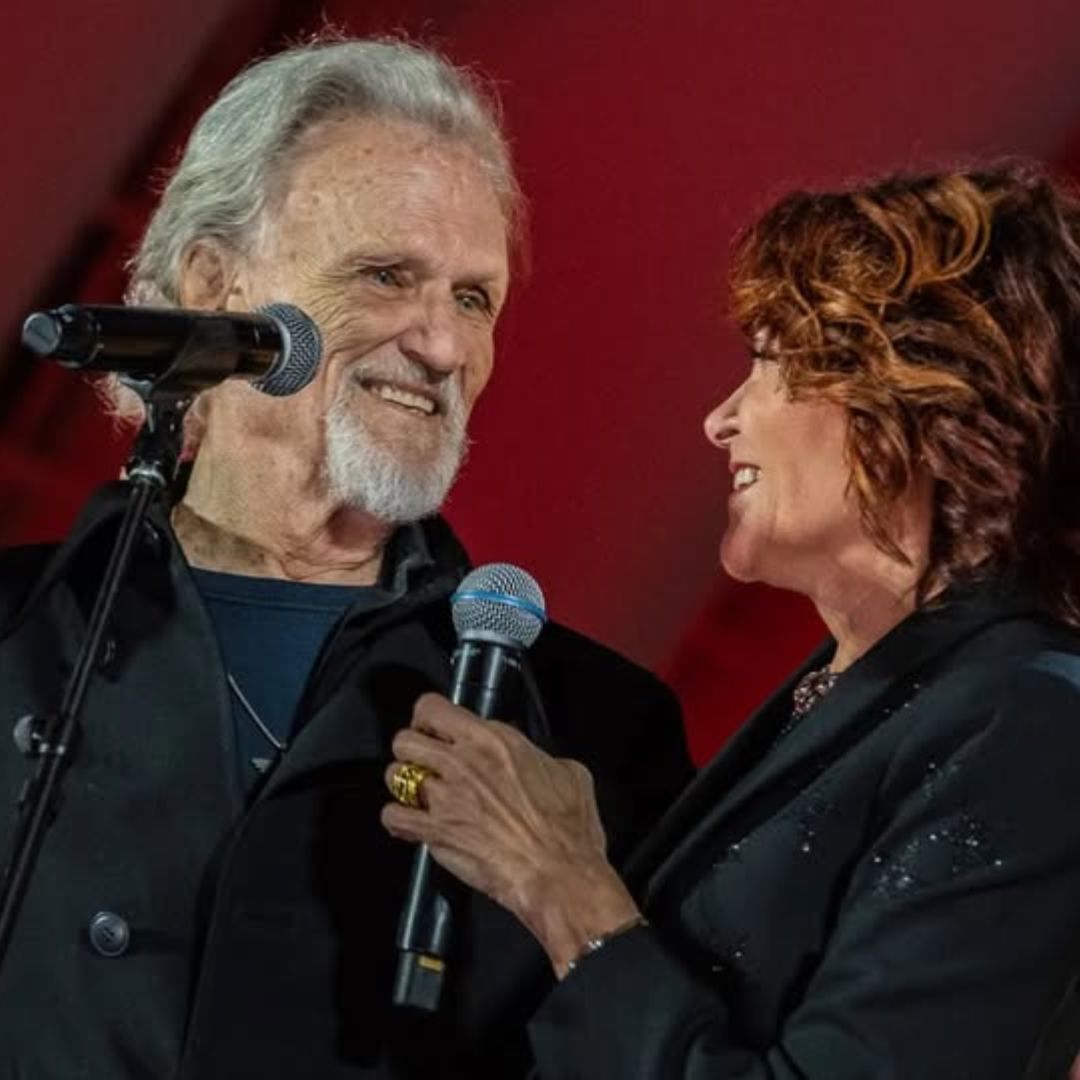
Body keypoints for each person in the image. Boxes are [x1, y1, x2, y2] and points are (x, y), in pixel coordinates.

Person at [0, 37, 692, 1078]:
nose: (443, 346)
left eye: (474, 299)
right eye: (386, 275)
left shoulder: (592, 729)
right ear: (214, 283)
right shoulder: (18, 634)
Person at [384, 163, 1080, 1078]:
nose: (722, 419)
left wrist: (566, 890)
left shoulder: (1030, 718)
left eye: (773, 361)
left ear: (922, 396)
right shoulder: (855, 687)